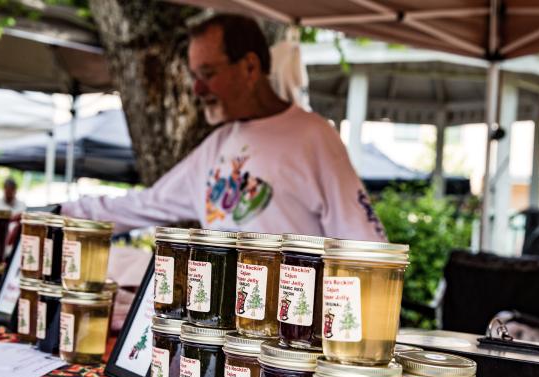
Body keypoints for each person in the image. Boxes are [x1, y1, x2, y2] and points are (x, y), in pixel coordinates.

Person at [62, 14, 386, 242]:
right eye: (195, 76)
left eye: (208, 73)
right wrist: (63, 213)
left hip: (286, 334)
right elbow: (146, 204)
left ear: (249, 67)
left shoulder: (312, 137)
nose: (198, 90)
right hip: (221, 330)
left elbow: (364, 245)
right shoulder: (219, 144)